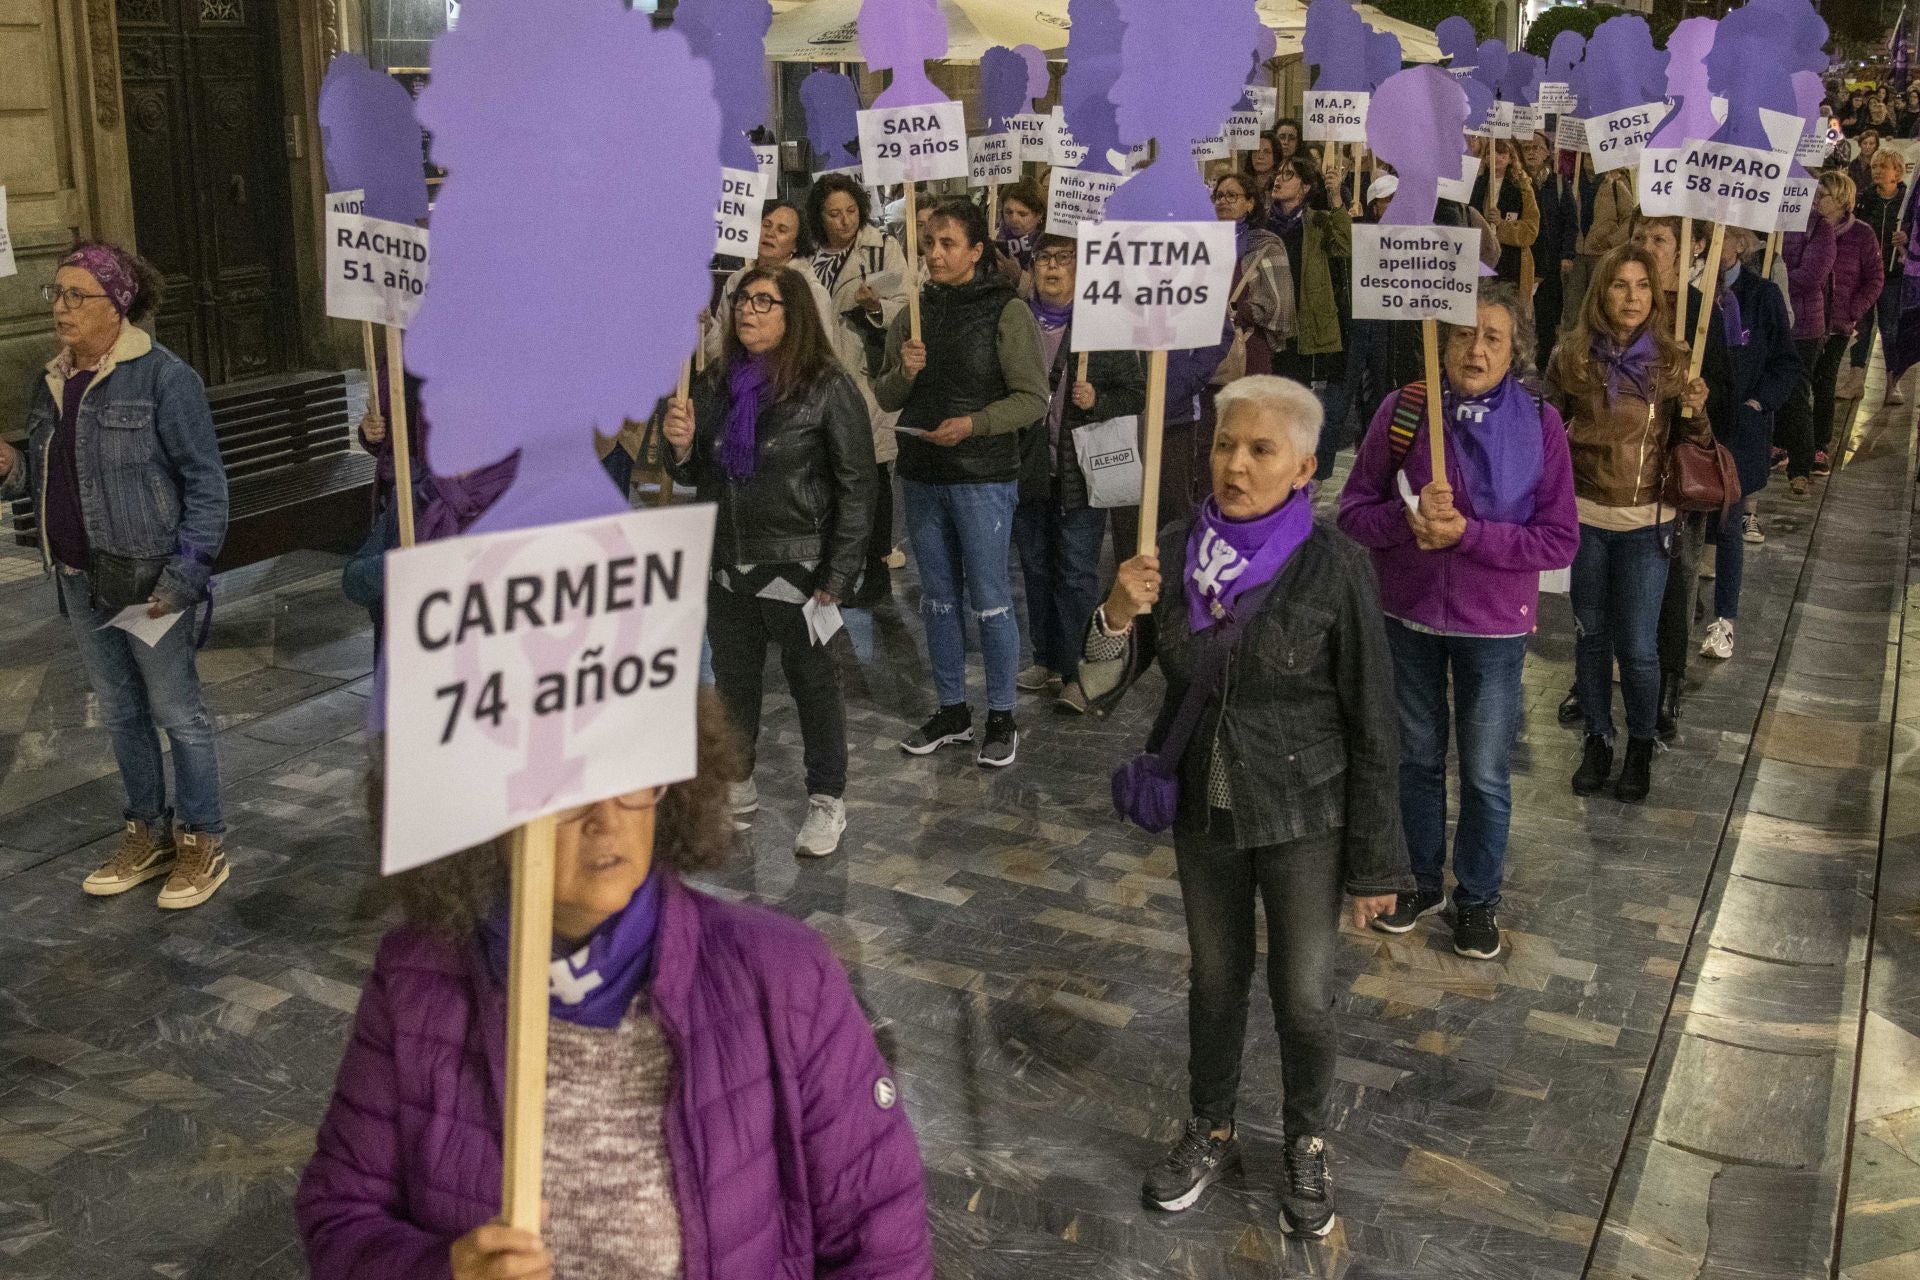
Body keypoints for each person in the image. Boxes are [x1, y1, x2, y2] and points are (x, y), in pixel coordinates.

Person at [296, 697, 934, 1279]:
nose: (607, 818)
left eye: (630, 773)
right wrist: (445, 1271)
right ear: (486, 808)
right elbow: (341, 1218)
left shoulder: (785, 978)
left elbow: (881, 1248)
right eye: (564, 791)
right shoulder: (415, 982)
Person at [1078, 375, 1408, 1236]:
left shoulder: (1335, 566)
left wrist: (1377, 864)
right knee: (1215, 980)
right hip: (1206, 812)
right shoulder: (1172, 552)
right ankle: (1211, 1124)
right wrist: (1117, 609)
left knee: (1303, 997)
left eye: (1261, 450)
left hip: (1305, 815)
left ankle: (1305, 1139)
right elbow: (1095, 690)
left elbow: (1375, 721)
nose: (1236, 463)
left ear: (1303, 467)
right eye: (1226, 444)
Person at [1339, 282, 1577, 960]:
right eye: (1464, 334)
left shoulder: (1540, 422)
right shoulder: (1404, 409)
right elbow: (1354, 514)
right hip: (1407, 618)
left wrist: (1468, 536)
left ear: (1514, 353)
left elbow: (1558, 541)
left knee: (1483, 772)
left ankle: (1477, 899)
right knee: (1413, 759)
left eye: (1492, 338)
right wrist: (1405, 523)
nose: (1476, 349)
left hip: (1494, 628)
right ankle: (1418, 879)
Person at [0, 242, 232, 908]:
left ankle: (203, 841)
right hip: (78, 575)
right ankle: (147, 833)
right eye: (57, 294)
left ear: (117, 305)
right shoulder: (48, 381)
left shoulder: (164, 378)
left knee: (177, 713)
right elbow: (41, 485)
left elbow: (206, 483)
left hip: (149, 581)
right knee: (123, 714)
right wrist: (10, 467)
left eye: (78, 296)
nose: (61, 309)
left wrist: (185, 575)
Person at [663, 265, 875, 857]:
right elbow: (693, 470)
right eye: (741, 301)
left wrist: (838, 574)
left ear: (793, 314)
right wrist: (678, 446)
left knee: (813, 684)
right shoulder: (711, 384)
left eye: (764, 302)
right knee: (735, 683)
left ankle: (827, 800)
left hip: (798, 567)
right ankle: (740, 781)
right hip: (728, 562)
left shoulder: (827, 387)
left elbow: (857, 486)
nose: (747, 312)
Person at [874, 197, 1049, 767]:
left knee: (992, 600)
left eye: (948, 243)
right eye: (929, 243)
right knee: (938, 601)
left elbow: (1033, 399)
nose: (936, 253)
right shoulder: (913, 312)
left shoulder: (1006, 312)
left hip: (982, 477)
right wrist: (906, 369)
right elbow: (885, 396)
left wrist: (975, 424)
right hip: (922, 473)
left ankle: (1001, 714)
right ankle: (952, 709)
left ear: (977, 250)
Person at [1548, 244, 1711, 803]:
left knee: (1639, 648)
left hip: (1648, 522)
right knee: (1592, 637)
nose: (1633, 297)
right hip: (1586, 517)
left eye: (1643, 285)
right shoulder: (1570, 355)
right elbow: (1546, 425)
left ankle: (1640, 743)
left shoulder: (1671, 361)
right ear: (1601, 292)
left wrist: (1697, 408)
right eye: (1621, 285)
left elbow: (1697, 446)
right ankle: (1597, 739)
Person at [1012, 234, 1145, 713]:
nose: (1052, 267)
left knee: (1074, 573)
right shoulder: (1018, 320)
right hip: (1029, 468)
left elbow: (1135, 392)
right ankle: (1045, 659)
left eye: (1064, 259)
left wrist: (1099, 401)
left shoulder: (1101, 325)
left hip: (1081, 474)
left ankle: (1077, 672)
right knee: (1036, 566)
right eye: (1044, 257)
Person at [1699, 227, 1801, 662]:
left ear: (1739, 242)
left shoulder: (1761, 294)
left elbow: (1786, 362)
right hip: (1695, 425)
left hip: (1739, 429)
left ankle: (1724, 620)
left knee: (1729, 525)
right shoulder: (1689, 292)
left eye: (1717, 235)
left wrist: (1760, 402)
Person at [806, 176, 908, 607]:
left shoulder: (881, 248)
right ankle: (834, 572)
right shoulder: (806, 257)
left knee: (872, 474)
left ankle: (878, 568)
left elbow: (907, 305)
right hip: (815, 376)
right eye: (833, 213)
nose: (844, 221)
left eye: (850, 211)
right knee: (826, 473)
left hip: (863, 373)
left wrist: (874, 306)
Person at [1265, 154, 1353, 481]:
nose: (1279, 178)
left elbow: (1344, 244)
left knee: (1297, 404)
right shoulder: (1262, 222)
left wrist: (1335, 199)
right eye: (1279, 172)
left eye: (1289, 175)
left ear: (1304, 188)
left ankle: (1298, 476)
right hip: (1269, 326)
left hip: (1301, 329)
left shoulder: (1315, 221)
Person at [1812, 171, 1883, 474]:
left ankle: (1818, 446)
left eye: (1823, 195)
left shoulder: (1862, 234)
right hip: (1806, 318)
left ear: (1842, 200)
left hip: (1838, 323)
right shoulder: (1809, 229)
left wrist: (1855, 309)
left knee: (1825, 381)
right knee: (1800, 380)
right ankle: (1791, 441)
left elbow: (1875, 278)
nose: (1817, 201)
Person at [1777, 186, 1837, 497]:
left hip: (1803, 327)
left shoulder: (1819, 228)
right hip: (1773, 323)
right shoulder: (1771, 220)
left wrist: (1774, 285)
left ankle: (1800, 467)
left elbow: (1813, 275)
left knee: (1796, 395)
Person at [1212, 170, 1293, 377]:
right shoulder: (1205, 242)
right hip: (1208, 351)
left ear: (1250, 203)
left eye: (1232, 195)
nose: (1223, 201)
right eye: (1219, 196)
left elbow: (1280, 305)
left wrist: (1238, 314)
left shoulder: (1266, 245)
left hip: (1247, 349)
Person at [1855, 148, 1908, 406]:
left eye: (1881, 167)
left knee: (1890, 328)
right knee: (1861, 327)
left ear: (1896, 172)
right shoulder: (1865, 199)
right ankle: (1855, 380)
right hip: (1865, 275)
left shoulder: (1908, 202)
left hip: (1893, 275)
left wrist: (1907, 240)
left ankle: (1892, 383)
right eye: (1874, 166)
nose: (1876, 171)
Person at [1525, 131, 1579, 368]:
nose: (1532, 152)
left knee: (1547, 318)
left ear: (1547, 153)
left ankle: (1543, 363)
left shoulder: (1557, 184)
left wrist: (1567, 254)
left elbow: (1570, 222)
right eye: (1527, 147)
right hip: (1525, 260)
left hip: (1550, 261)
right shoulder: (1518, 181)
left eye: (1537, 147)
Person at [1471, 138, 1541, 296]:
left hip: (1512, 263)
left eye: (1501, 153)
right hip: (1481, 259)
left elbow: (1531, 230)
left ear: (1511, 158)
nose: (1495, 157)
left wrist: (1502, 224)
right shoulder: (1475, 186)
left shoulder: (1523, 188)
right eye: (1490, 153)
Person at [996, 180, 1044, 276]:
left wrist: (1018, 276)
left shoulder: (1049, 241)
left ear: (1039, 215)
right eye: (1008, 212)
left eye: (1022, 214)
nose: (1013, 219)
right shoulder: (999, 236)